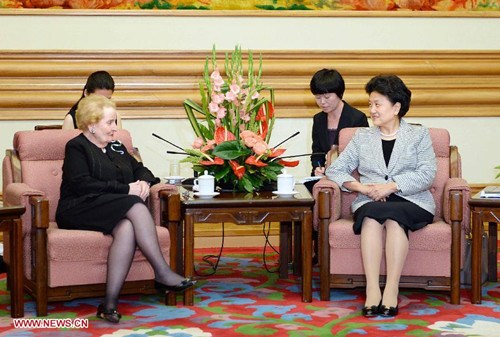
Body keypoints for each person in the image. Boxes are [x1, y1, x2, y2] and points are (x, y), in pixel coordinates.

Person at [56, 94, 195, 323]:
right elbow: (82, 184)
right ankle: (161, 272)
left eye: (115, 122)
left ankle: (109, 305)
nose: (115, 129)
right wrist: (126, 189)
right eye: (110, 123)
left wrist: (143, 182)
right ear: (91, 124)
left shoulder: (117, 147)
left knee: (127, 228)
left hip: (111, 207)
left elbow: (143, 170)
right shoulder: (76, 147)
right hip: (78, 208)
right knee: (134, 204)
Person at [325, 75, 436, 318]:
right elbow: (334, 169)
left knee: (396, 219)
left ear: (396, 107)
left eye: (378, 104)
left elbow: (427, 174)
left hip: (411, 200)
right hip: (371, 200)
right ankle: (373, 290)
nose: (371, 110)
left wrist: (393, 186)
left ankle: (392, 290)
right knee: (370, 218)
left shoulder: (418, 135)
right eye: (370, 104)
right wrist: (362, 189)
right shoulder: (362, 137)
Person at [307, 69, 369, 265]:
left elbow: (364, 155)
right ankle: (317, 248)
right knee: (309, 193)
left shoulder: (356, 118)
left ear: (339, 93)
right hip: (323, 175)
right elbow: (316, 151)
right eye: (318, 97)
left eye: (327, 97)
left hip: (349, 175)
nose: (322, 102)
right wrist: (318, 167)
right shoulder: (318, 119)